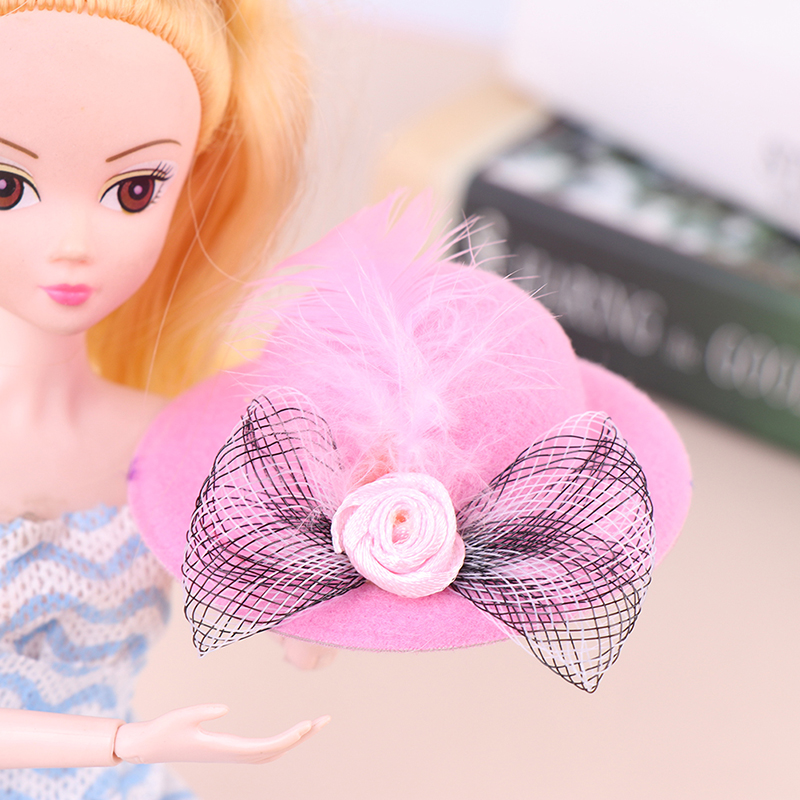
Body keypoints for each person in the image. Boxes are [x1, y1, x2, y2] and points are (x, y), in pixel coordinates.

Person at [0, 1, 324, 797]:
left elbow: (301, 630)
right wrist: (122, 742)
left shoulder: (169, 442)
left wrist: (334, 574)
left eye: (134, 190)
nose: (73, 244)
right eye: (7, 186)